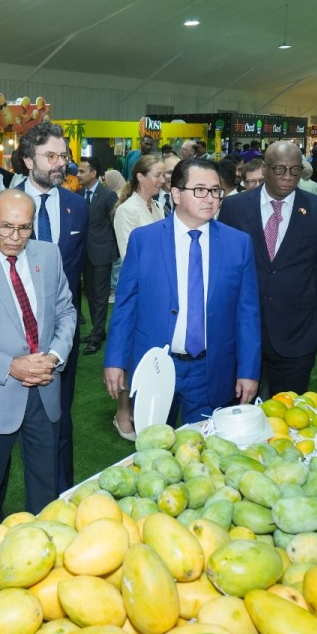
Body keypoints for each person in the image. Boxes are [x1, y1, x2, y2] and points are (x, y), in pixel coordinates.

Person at [0, 189, 76, 530]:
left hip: (45, 388)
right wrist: (9, 365)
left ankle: (43, 544)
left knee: (45, 485)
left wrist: (53, 356)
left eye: (23, 228)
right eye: (6, 227)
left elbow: (66, 311)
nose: (15, 237)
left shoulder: (48, 255)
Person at [106, 158, 260, 425]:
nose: (210, 198)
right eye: (199, 190)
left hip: (211, 369)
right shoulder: (144, 240)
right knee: (154, 451)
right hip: (155, 364)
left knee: (202, 451)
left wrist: (248, 371)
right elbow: (125, 307)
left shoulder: (239, 244)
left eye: (216, 190)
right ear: (176, 194)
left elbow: (247, 314)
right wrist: (115, 360)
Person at [0, 122, 88, 493]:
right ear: (28, 160)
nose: (61, 164)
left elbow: (80, 277)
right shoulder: (1, 206)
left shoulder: (77, 206)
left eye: (64, 156)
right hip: (4, 359)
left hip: (57, 348)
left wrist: (56, 352)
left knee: (57, 430)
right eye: (51, 156)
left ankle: (57, 502)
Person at [218, 140, 317, 395]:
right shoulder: (234, 207)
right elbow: (223, 270)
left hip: (299, 337)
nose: (288, 177)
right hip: (242, 333)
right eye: (279, 169)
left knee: (287, 418)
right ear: (264, 169)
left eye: (295, 170)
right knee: (239, 414)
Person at [110, 154, 165, 438]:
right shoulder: (127, 210)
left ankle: (142, 407)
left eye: (164, 174)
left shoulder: (158, 206)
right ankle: (122, 413)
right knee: (128, 354)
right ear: (140, 177)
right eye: (157, 174)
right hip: (137, 293)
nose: (163, 179)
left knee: (150, 354)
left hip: (158, 293)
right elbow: (128, 255)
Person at [77, 156, 119, 355]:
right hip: (84, 254)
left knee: (101, 297)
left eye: (82, 171)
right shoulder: (78, 195)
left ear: (93, 173)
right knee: (92, 295)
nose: (78, 175)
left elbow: (115, 224)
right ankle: (98, 330)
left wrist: (114, 250)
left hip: (102, 253)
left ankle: (96, 337)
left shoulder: (107, 195)